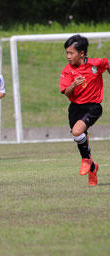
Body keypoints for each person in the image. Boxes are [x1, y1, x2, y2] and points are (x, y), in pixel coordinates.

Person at [60, 34, 109, 186]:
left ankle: (86, 160)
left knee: (77, 132)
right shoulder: (67, 70)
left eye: (71, 53)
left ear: (81, 53)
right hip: (75, 108)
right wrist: (73, 85)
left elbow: (107, 64)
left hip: (93, 106)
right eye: (67, 53)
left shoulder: (96, 64)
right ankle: (93, 167)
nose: (68, 56)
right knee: (79, 136)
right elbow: (66, 92)